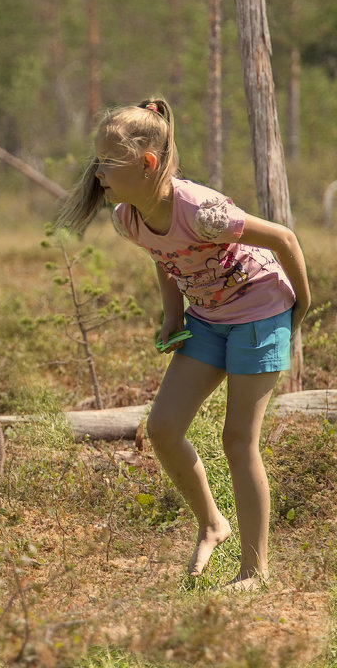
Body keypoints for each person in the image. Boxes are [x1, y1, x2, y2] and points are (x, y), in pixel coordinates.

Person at [56, 97, 311, 591]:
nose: (98, 173)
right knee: (164, 428)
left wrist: (300, 305)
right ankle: (214, 523)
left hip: (259, 313)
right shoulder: (127, 217)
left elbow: (284, 238)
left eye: (108, 162)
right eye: (97, 160)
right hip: (208, 319)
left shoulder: (204, 212)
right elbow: (162, 253)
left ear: (148, 163)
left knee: (238, 441)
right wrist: (173, 314)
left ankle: (254, 573)